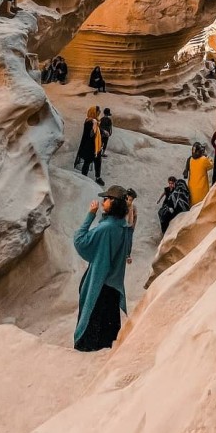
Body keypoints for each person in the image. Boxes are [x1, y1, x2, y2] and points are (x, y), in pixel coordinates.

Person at [73, 186, 133, 351]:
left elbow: (80, 241)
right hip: (113, 286)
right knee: (109, 332)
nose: (102, 201)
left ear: (113, 202)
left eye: (106, 199)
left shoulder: (105, 228)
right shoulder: (123, 226)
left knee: (92, 328)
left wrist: (90, 214)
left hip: (101, 285)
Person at [74, 106, 105, 186]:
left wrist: (103, 131)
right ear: (94, 112)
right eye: (98, 111)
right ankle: (84, 178)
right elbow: (91, 135)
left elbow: (98, 131)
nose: (99, 113)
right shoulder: (89, 122)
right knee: (87, 162)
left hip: (96, 147)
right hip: (89, 147)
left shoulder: (96, 121)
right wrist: (94, 125)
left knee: (98, 162)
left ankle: (98, 177)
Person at [125, 188, 138, 253]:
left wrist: (133, 226)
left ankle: (127, 254)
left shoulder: (133, 207)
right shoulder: (122, 206)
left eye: (131, 200)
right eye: (129, 200)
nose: (130, 202)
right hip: (122, 226)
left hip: (129, 227)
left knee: (129, 241)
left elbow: (135, 216)